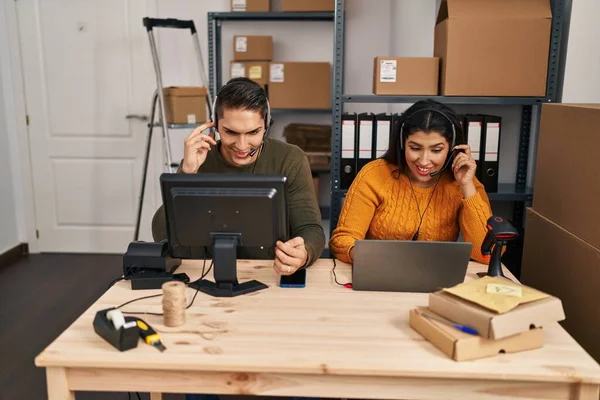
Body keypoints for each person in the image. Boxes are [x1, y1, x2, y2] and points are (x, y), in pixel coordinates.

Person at [151, 77, 325, 274]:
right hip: (206, 274)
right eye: (230, 132)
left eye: (253, 132)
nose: (242, 146)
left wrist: (303, 254)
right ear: (215, 125)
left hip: (270, 274)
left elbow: (311, 229)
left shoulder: (290, 159)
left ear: (267, 124)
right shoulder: (200, 160)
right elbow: (161, 233)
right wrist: (186, 175)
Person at [329, 99, 493, 264]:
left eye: (436, 150)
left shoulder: (465, 183)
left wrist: (466, 186)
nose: (423, 161)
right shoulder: (375, 174)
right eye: (415, 148)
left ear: (453, 148)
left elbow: (487, 254)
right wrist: (366, 256)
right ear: (402, 144)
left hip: (436, 278)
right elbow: (342, 240)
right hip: (379, 271)